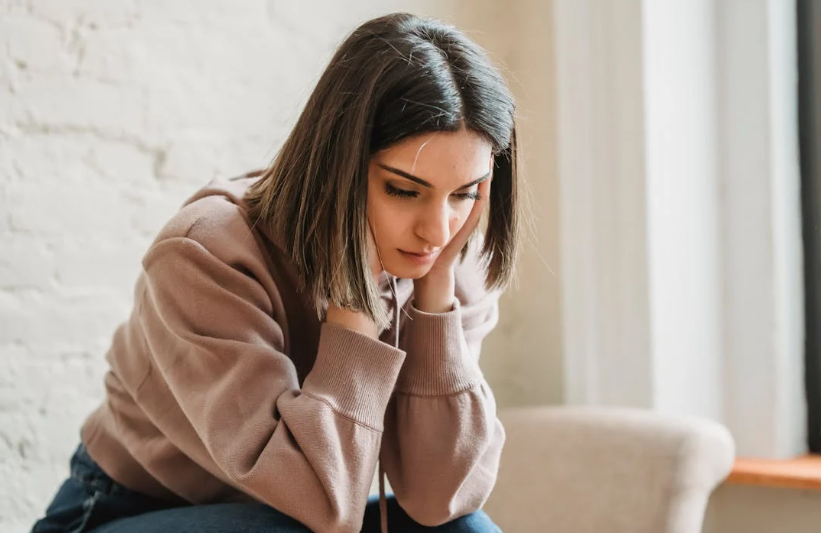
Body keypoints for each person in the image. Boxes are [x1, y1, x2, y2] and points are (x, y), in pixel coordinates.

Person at [31, 11, 519, 533]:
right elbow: (320, 504)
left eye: (465, 193)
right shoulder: (206, 255)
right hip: (125, 509)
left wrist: (437, 301)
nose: (438, 231)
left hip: (299, 512)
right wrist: (352, 304)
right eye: (404, 190)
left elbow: (439, 499)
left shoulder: (448, 267)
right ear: (338, 162)